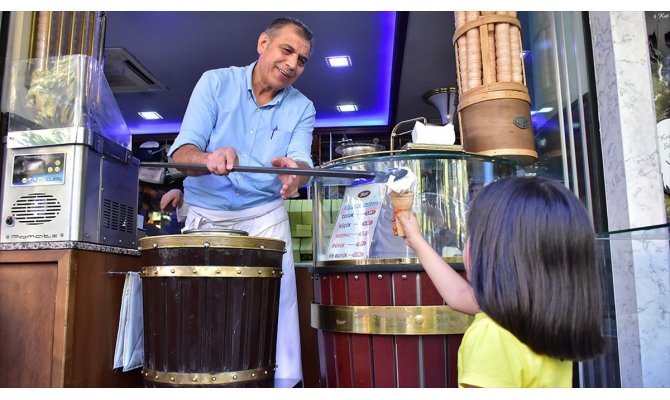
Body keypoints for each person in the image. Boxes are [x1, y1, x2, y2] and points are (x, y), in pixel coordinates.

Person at [167, 17, 315, 382]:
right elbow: (180, 154)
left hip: (265, 217)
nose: (293, 64)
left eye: (302, 59)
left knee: (278, 309)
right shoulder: (215, 83)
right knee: (199, 312)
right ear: (263, 43)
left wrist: (295, 170)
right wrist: (209, 158)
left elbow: (303, 161)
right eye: (287, 50)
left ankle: (280, 384)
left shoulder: (303, 107)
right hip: (205, 215)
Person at [394, 176, 607, 387]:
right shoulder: (545, 320)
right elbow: (460, 296)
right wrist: (416, 240)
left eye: (472, 235)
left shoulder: (493, 337)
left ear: (494, 252)